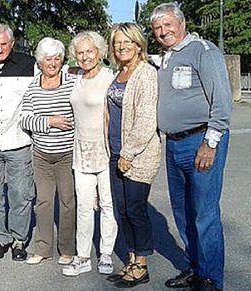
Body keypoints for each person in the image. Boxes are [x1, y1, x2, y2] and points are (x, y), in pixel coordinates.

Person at [151, 3, 232, 291]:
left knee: (205, 214)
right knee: (183, 212)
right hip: (174, 145)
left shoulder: (203, 51)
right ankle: (194, 268)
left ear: (182, 23)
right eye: (158, 29)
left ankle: (210, 278)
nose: (163, 32)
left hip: (201, 141)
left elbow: (222, 101)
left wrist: (210, 143)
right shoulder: (167, 58)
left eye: (168, 25)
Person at [105, 22, 161, 288]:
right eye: (117, 43)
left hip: (138, 156)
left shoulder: (146, 73)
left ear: (139, 45)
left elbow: (147, 119)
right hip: (115, 153)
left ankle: (142, 265)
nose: (122, 47)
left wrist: (128, 153)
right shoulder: (119, 73)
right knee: (123, 212)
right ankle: (130, 259)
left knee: (136, 210)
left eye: (127, 42)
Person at [0, 23, 35, 261]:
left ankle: (19, 240)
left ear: (11, 44)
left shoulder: (28, 64)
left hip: (19, 139)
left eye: (4, 44)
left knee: (20, 194)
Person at [63, 31, 117, 277]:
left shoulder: (110, 78)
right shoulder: (75, 78)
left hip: (105, 150)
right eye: (80, 52)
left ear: (99, 52)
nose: (85, 57)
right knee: (84, 205)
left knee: (107, 204)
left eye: (89, 51)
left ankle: (106, 253)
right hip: (81, 149)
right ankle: (83, 256)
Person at [19, 37, 76, 266]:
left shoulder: (71, 82)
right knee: (43, 201)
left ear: (62, 60)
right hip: (42, 154)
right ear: (39, 61)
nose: (52, 63)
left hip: (67, 153)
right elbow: (24, 119)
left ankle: (67, 249)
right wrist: (50, 121)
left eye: (56, 59)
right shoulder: (33, 87)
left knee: (67, 202)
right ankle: (42, 248)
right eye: (47, 59)